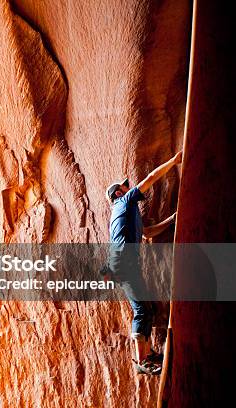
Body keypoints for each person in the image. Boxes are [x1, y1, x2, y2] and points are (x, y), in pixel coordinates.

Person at [103, 151, 182, 375]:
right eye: (126, 187)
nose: (130, 188)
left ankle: (148, 354)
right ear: (119, 192)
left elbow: (147, 233)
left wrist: (172, 219)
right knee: (141, 310)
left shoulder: (127, 212)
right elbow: (150, 179)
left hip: (123, 263)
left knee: (144, 308)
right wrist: (174, 161)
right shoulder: (124, 202)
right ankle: (142, 361)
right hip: (122, 263)